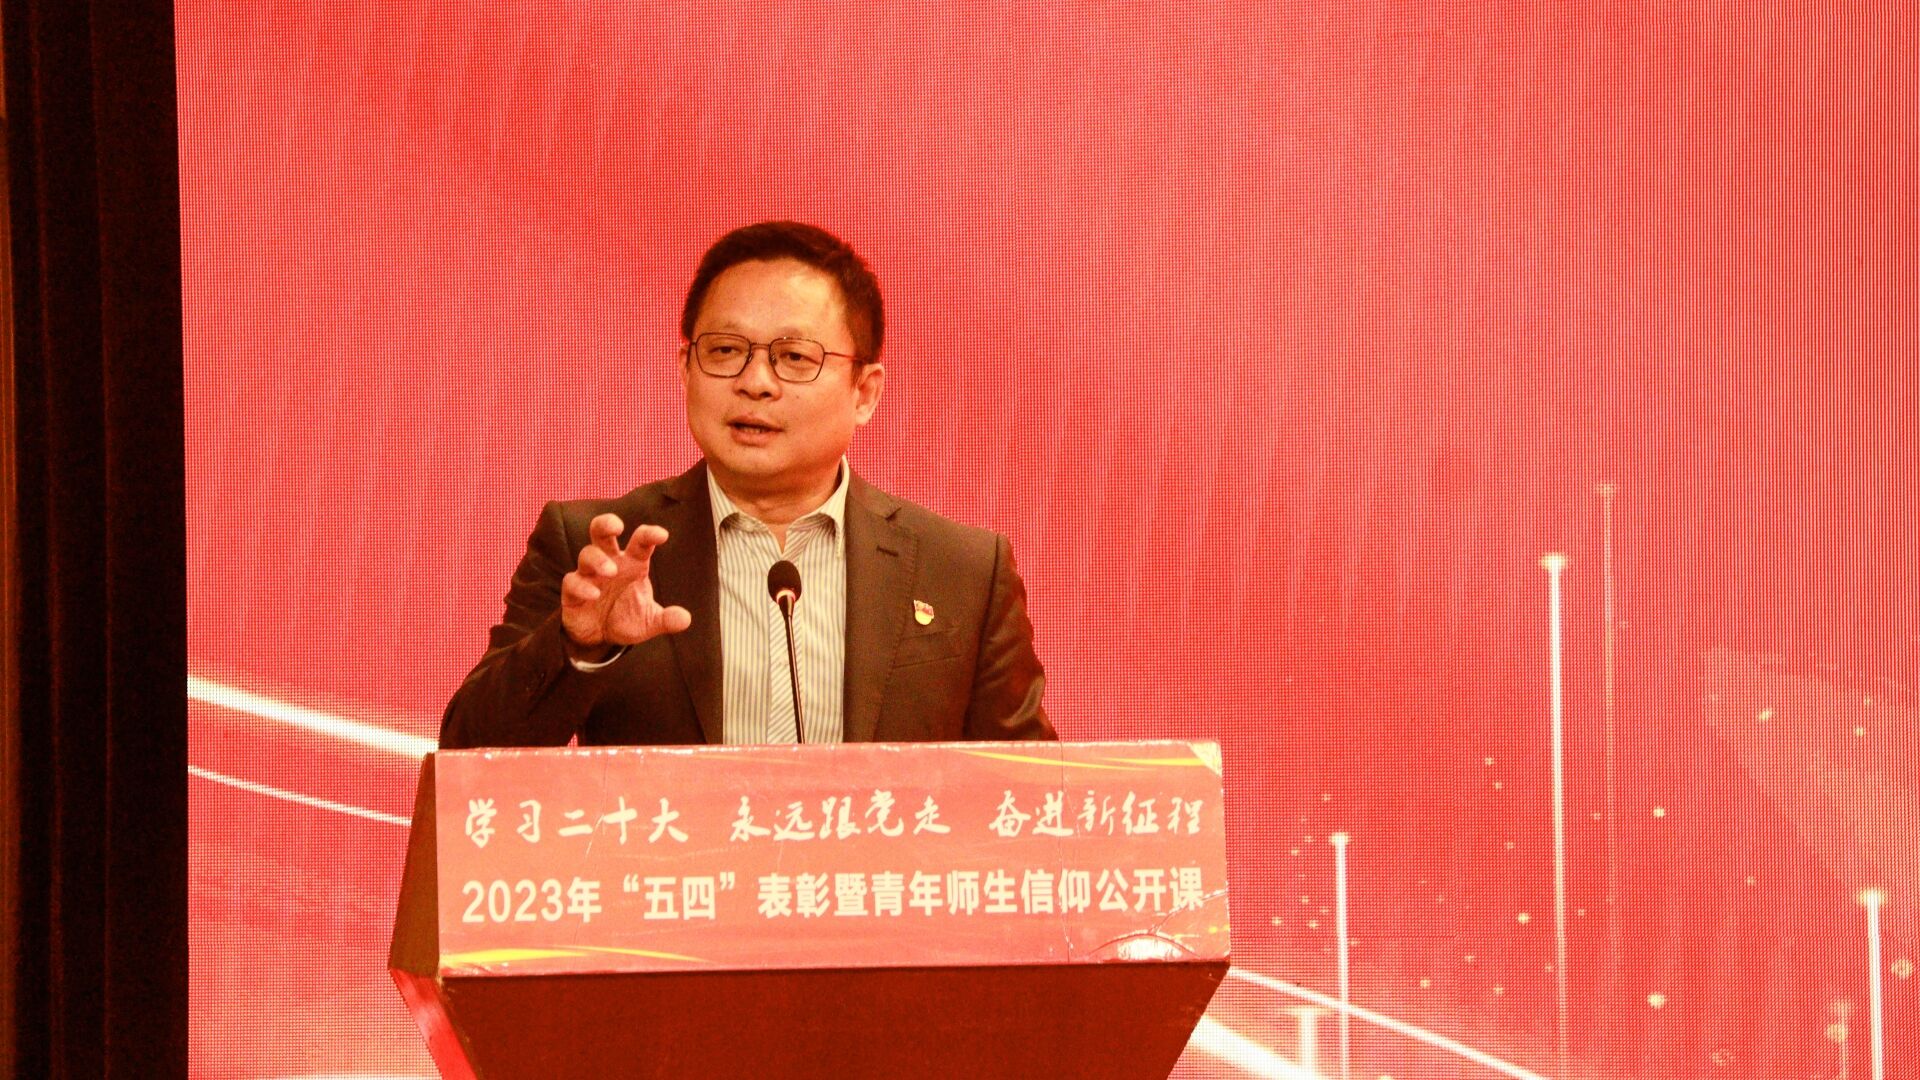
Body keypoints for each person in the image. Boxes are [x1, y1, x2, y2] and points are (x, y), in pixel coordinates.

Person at [439, 221, 1053, 749]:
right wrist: (577, 647)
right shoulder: (600, 550)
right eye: (726, 350)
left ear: (865, 392)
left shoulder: (960, 571)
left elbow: (1032, 794)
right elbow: (467, 759)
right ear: (685, 369)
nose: (755, 382)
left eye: (794, 357)